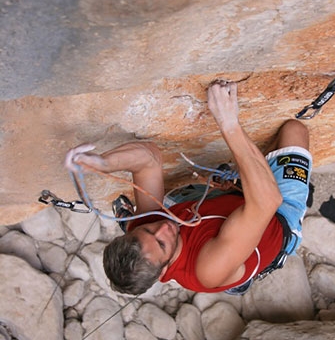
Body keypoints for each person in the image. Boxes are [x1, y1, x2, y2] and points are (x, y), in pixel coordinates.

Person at [65, 80, 312, 296]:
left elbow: (148, 159)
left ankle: (228, 196)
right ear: (163, 273)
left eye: (148, 231)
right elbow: (268, 201)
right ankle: (237, 279)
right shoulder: (208, 268)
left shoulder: (148, 234)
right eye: (162, 244)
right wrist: (228, 123)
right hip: (277, 218)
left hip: (226, 209)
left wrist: (103, 163)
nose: (163, 227)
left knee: (171, 202)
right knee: (294, 131)